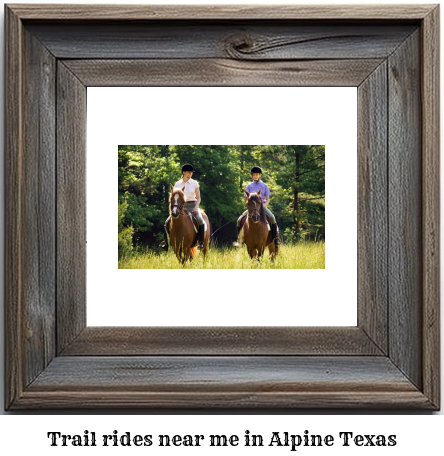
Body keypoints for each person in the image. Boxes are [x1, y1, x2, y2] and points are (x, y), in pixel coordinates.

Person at [159, 163, 205, 251]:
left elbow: (198, 198)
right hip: (181, 207)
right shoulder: (178, 184)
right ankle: (166, 242)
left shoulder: (194, 183)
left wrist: (196, 207)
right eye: (188, 172)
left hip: (192, 206)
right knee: (167, 221)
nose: (190, 173)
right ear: (183, 172)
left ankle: (201, 242)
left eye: (191, 172)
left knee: (200, 220)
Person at [237, 166, 281, 245]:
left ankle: (276, 238)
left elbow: (267, 199)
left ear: (260, 175)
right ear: (252, 176)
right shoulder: (249, 186)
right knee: (239, 220)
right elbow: (246, 199)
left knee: (272, 218)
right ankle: (240, 240)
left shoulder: (265, 186)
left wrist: (263, 205)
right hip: (252, 208)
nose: (255, 176)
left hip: (262, 207)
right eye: (254, 175)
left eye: (257, 174)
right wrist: (248, 206)